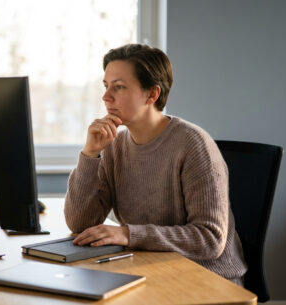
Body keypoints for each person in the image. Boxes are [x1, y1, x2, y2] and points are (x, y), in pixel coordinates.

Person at [64, 44, 247, 285]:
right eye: (106, 86)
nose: (106, 97)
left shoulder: (193, 144)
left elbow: (209, 239)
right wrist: (90, 155)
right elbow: (80, 224)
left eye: (118, 87)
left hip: (206, 278)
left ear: (152, 94)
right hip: (150, 267)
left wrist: (129, 234)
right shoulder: (114, 145)